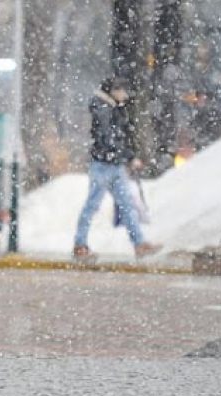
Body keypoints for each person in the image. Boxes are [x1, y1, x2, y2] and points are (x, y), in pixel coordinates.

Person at [73, 77, 162, 260]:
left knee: (126, 205)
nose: (125, 94)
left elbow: (115, 136)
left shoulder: (110, 108)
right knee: (94, 206)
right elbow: (111, 137)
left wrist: (125, 156)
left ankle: (139, 243)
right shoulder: (104, 109)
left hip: (112, 164)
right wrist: (128, 156)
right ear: (113, 90)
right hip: (104, 165)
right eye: (122, 90)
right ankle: (80, 245)